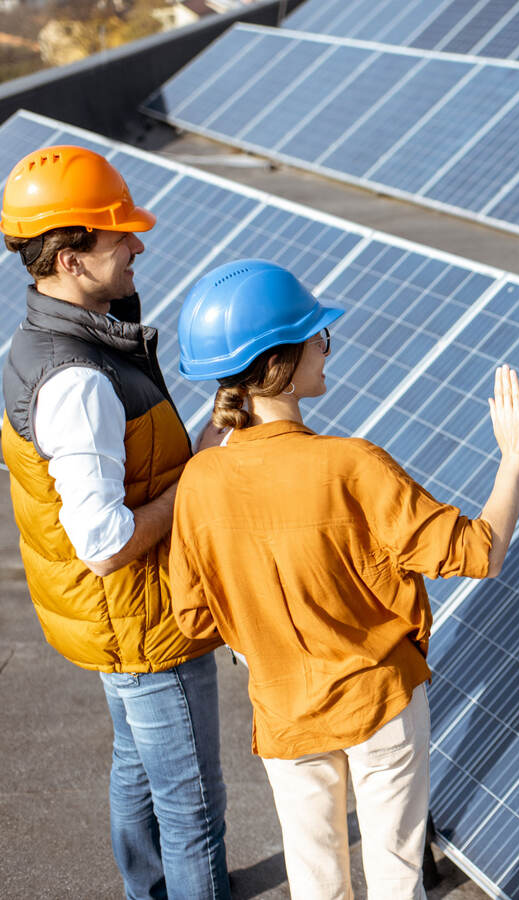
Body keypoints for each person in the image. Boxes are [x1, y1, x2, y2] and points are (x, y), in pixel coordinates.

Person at [168, 259, 519, 899]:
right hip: (381, 702)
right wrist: (514, 457)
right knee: (396, 879)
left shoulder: (198, 483)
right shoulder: (351, 464)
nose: (325, 346)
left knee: (317, 886)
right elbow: (482, 552)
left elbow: (195, 619)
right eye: (318, 336)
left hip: (283, 714)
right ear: (278, 360)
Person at [0, 146, 230, 898]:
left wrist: (205, 442)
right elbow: (104, 544)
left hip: (116, 624)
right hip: (141, 622)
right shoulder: (76, 380)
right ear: (70, 259)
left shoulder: (49, 339)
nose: (137, 245)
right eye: (118, 235)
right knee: (194, 811)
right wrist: (198, 484)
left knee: (138, 766)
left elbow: (125, 470)